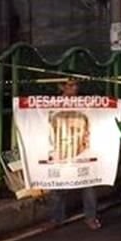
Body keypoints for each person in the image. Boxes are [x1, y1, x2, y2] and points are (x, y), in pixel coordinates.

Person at [47, 78, 101, 230]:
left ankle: (91, 217)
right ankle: (57, 219)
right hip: (61, 151)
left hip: (80, 151)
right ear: (61, 86)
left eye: (76, 84)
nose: (75, 88)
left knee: (88, 185)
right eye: (71, 85)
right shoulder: (52, 106)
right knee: (56, 184)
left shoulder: (85, 104)